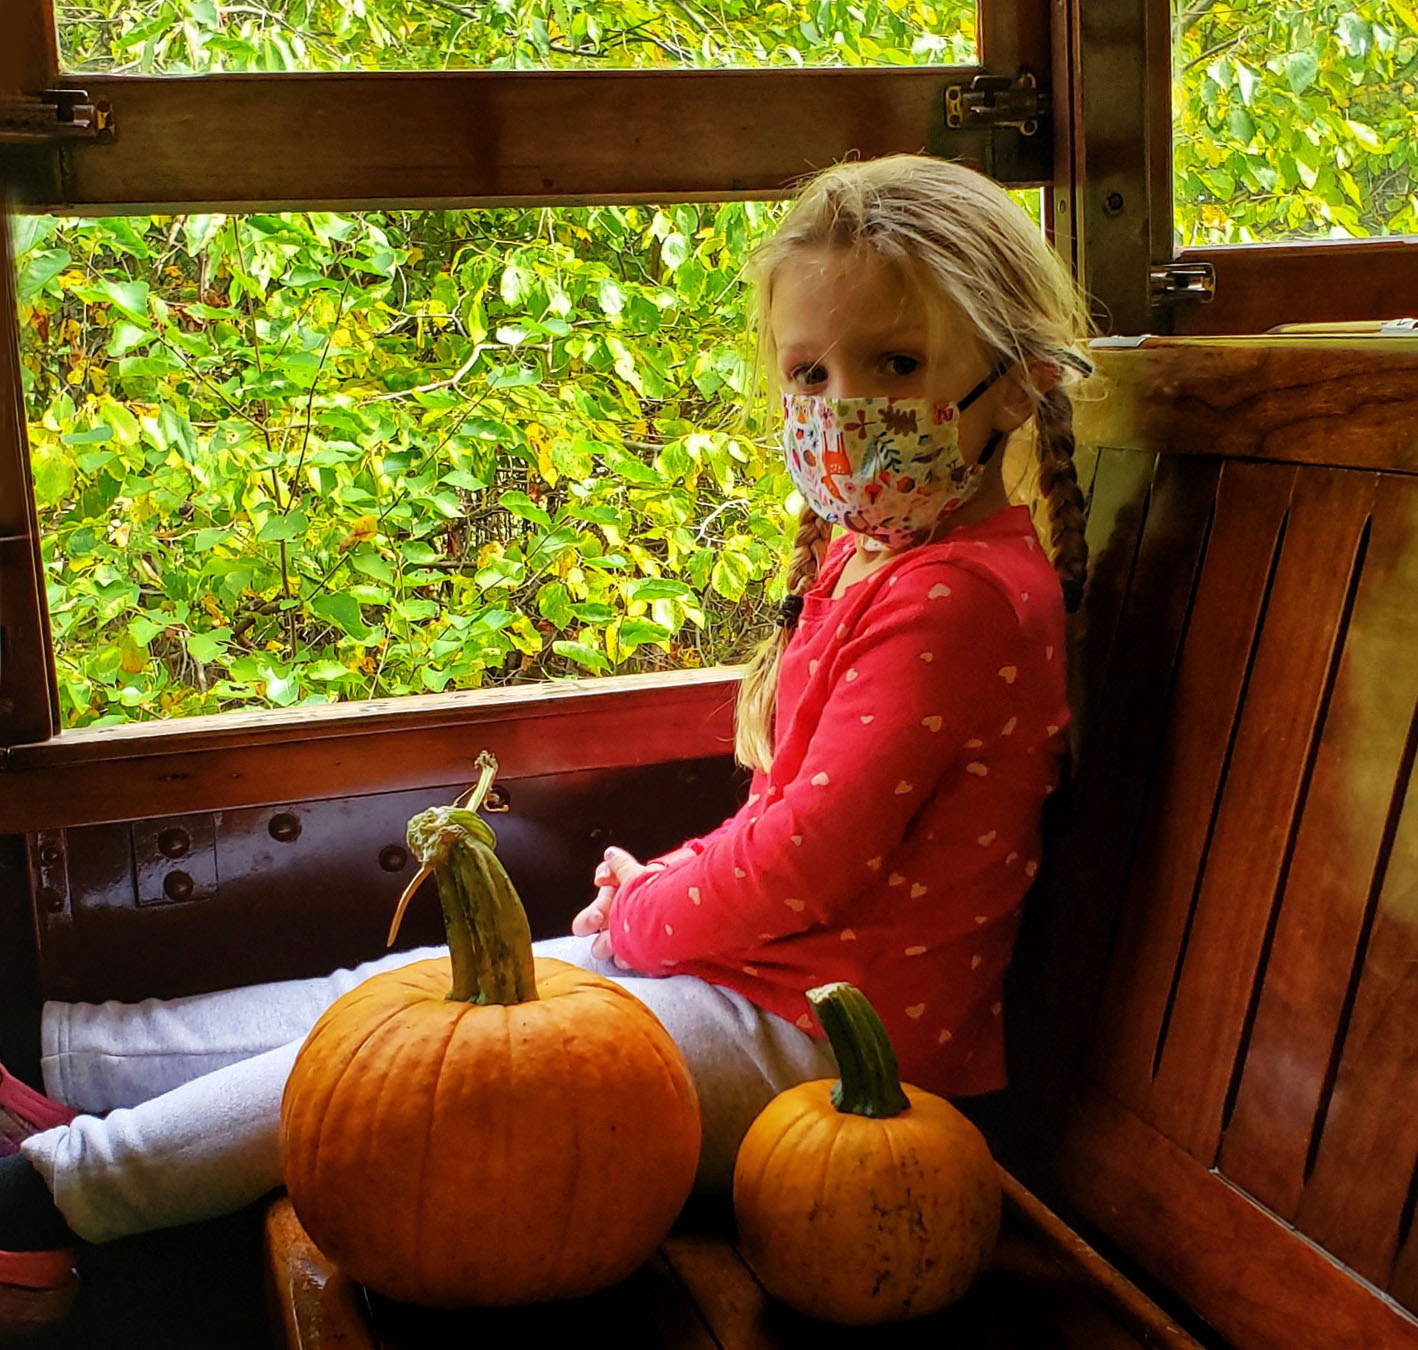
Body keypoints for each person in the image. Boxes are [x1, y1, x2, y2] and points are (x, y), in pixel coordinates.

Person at [0, 152, 1091, 1322]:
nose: (841, 411)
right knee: (403, 992)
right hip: (760, 983)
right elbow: (792, 815)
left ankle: (51, 1197)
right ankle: (71, 1068)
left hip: (832, 1050)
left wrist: (639, 916)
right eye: (809, 372)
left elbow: (813, 854)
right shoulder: (879, 560)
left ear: (1016, 385)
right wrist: (666, 880)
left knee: (446, 1057)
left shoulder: (959, 598)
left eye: (896, 366)